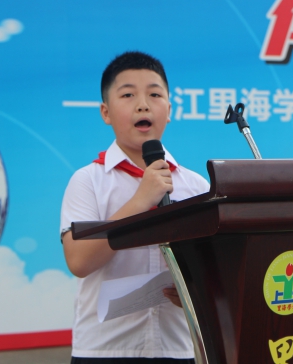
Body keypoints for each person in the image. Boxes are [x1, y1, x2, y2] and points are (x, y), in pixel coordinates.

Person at [60, 51, 209, 364]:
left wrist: (195, 292)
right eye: (128, 95)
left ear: (169, 110)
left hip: (176, 349)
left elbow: (214, 268)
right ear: (106, 112)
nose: (143, 104)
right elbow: (79, 261)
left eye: (155, 94)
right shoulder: (88, 181)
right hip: (103, 351)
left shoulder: (196, 186)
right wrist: (141, 202)